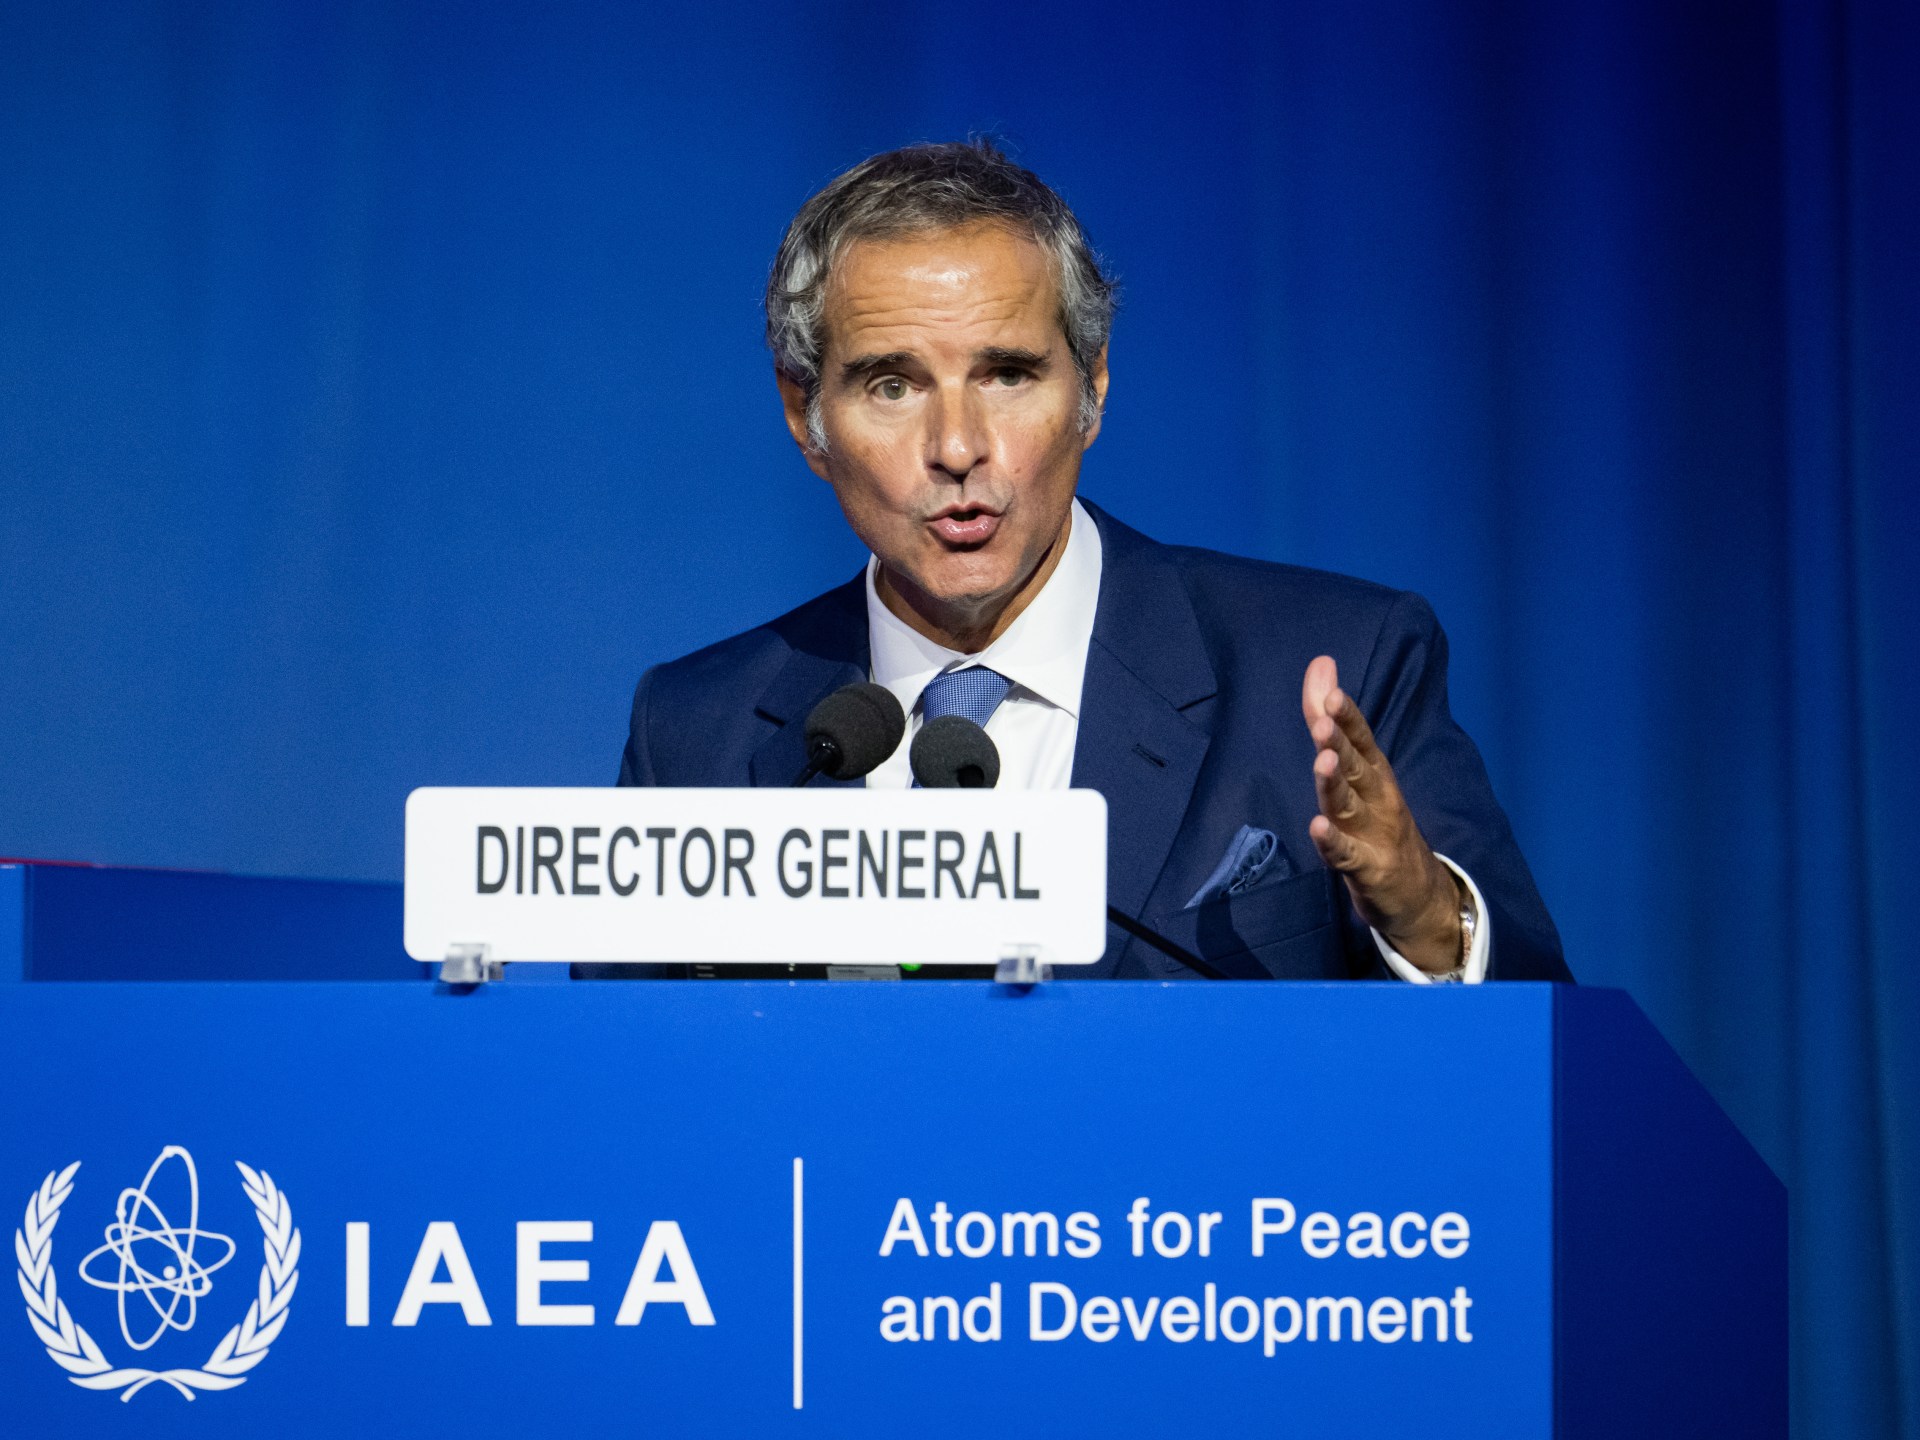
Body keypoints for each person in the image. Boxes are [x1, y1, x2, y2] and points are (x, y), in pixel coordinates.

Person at [612, 140, 1568, 983]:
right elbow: (625, 1092)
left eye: (1007, 374)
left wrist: (1424, 917)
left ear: (1093, 386)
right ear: (804, 415)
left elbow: (1542, 1063)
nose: (957, 447)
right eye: (893, 385)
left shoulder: (1332, 669)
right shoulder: (697, 734)